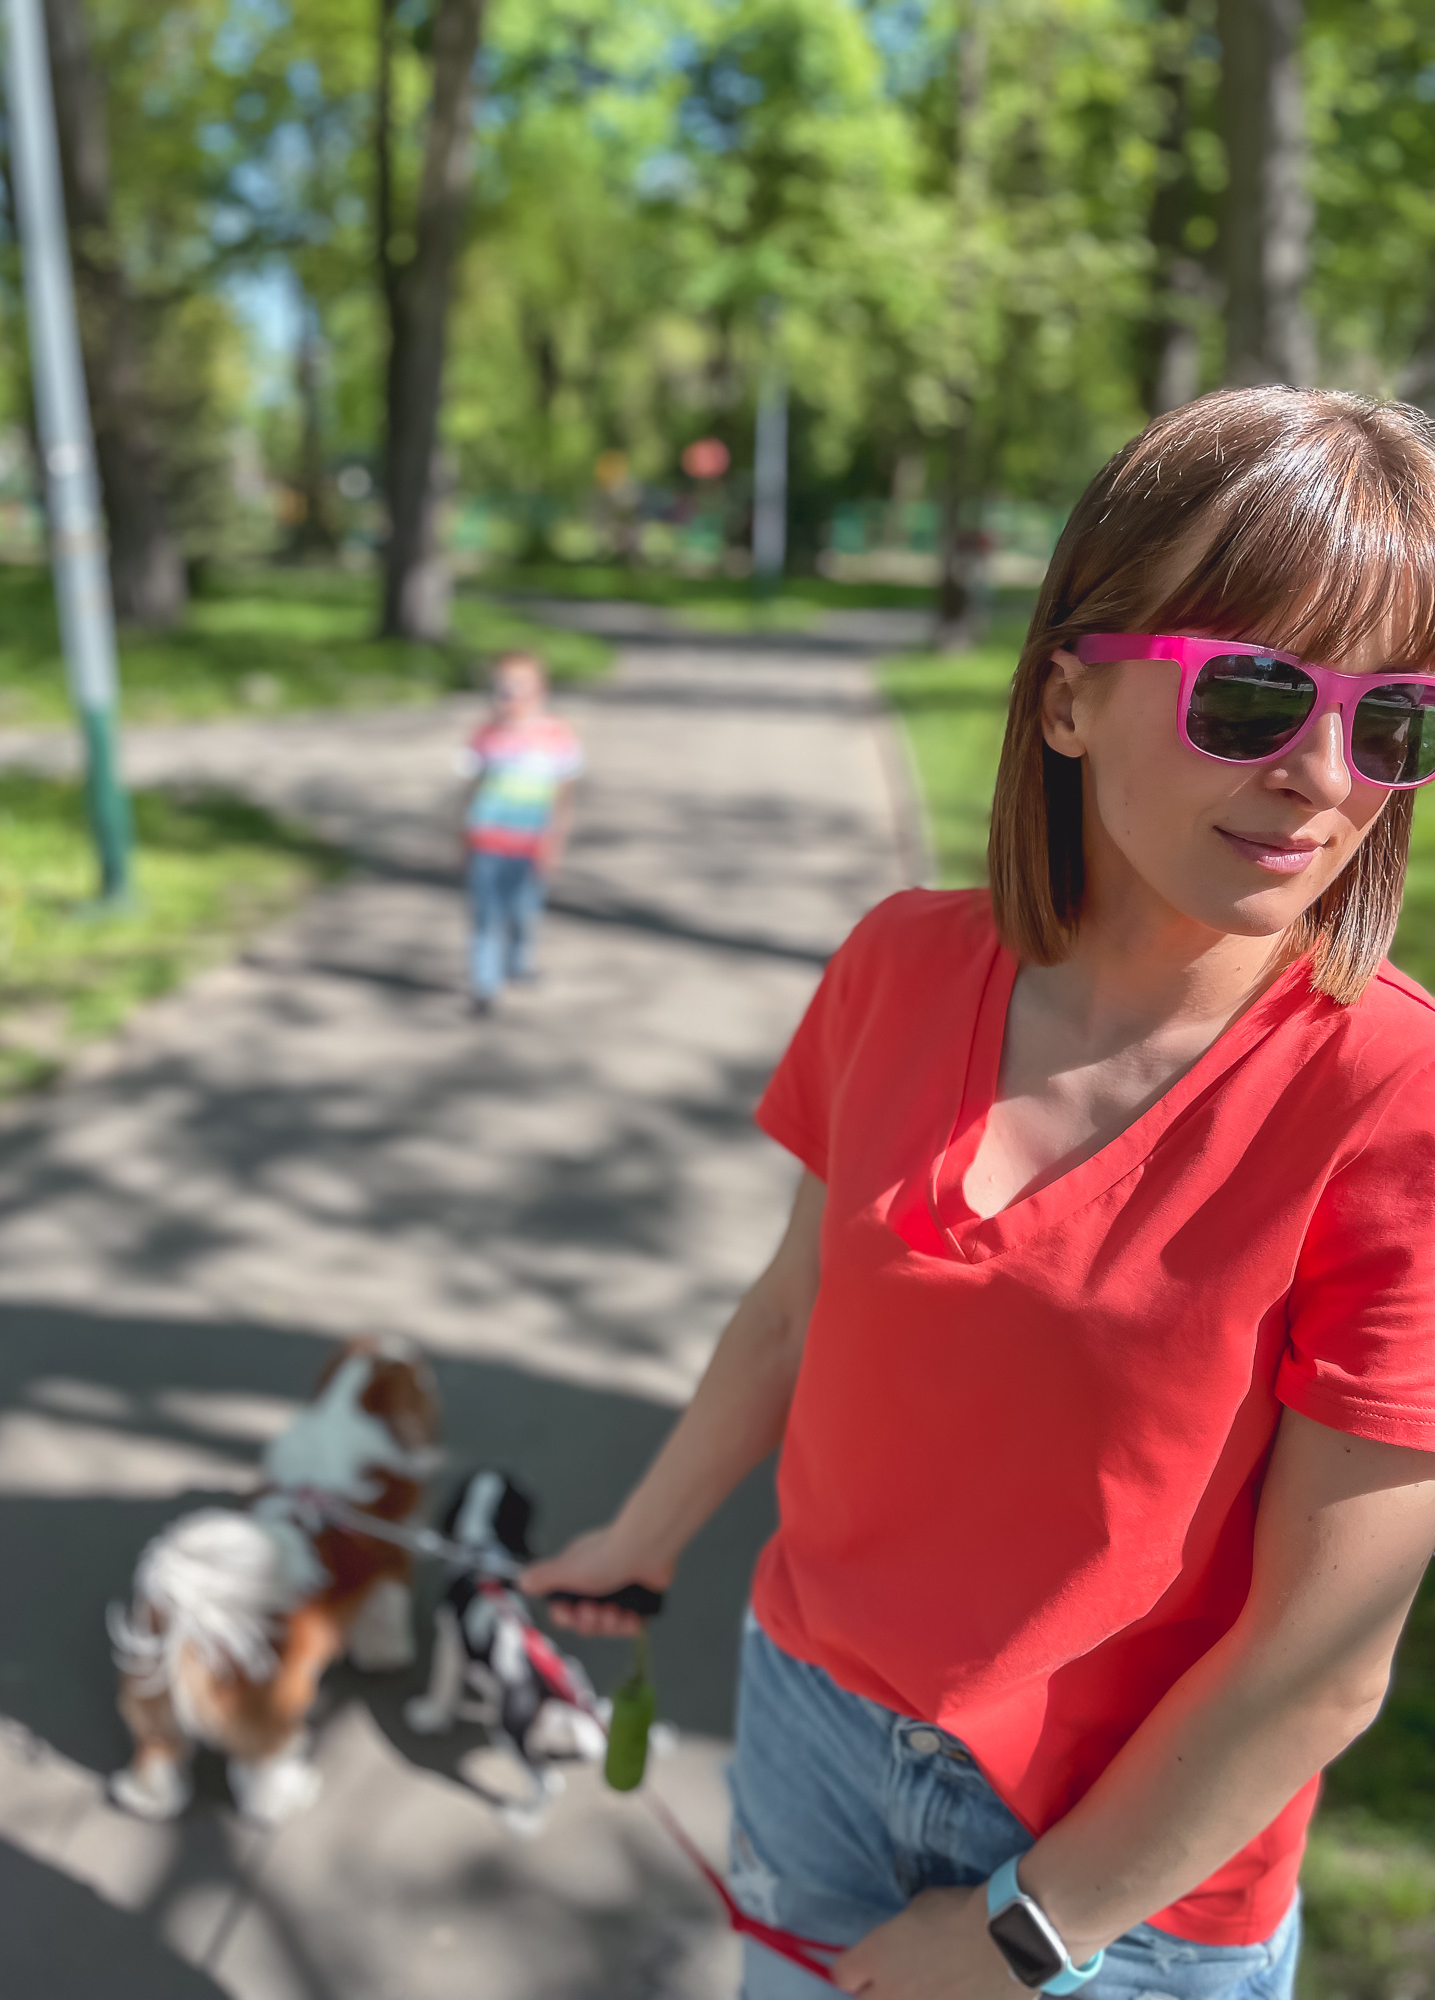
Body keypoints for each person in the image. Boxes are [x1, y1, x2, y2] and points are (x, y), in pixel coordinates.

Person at [523, 387, 1435, 2000]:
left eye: (1395, 722)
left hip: (1127, 1876)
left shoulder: (1395, 1101)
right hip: (807, 1729)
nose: (1322, 774)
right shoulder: (896, 963)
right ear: (1069, 698)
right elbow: (795, 1311)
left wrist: (1028, 1929)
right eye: (1251, 693)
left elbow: (1319, 1664)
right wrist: (637, 1542)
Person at [457, 651, 583, 1015]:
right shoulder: (485, 735)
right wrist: (460, 832)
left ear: (541, 692)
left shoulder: (555, 735)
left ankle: (518, 963)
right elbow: (470, 786)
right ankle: (484, 984)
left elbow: (563, 793)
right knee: (485, 915)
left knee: (523, 912)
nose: (510, 697)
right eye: (501, 689)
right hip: (486, 841)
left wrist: (556, 838)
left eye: (520, 688)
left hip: (531, 844)